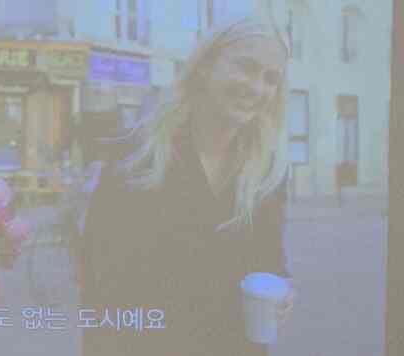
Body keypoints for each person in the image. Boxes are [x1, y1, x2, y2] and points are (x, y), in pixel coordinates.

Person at [80, 18, 294, 326]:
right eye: (246, 67)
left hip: (236, 351)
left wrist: (282, 290)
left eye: (271, 78)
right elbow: (98, 288)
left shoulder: (268, 171)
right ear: (205, 65)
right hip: (147, 352)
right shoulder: (135, 157)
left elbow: (270, 261)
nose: (256, 87)